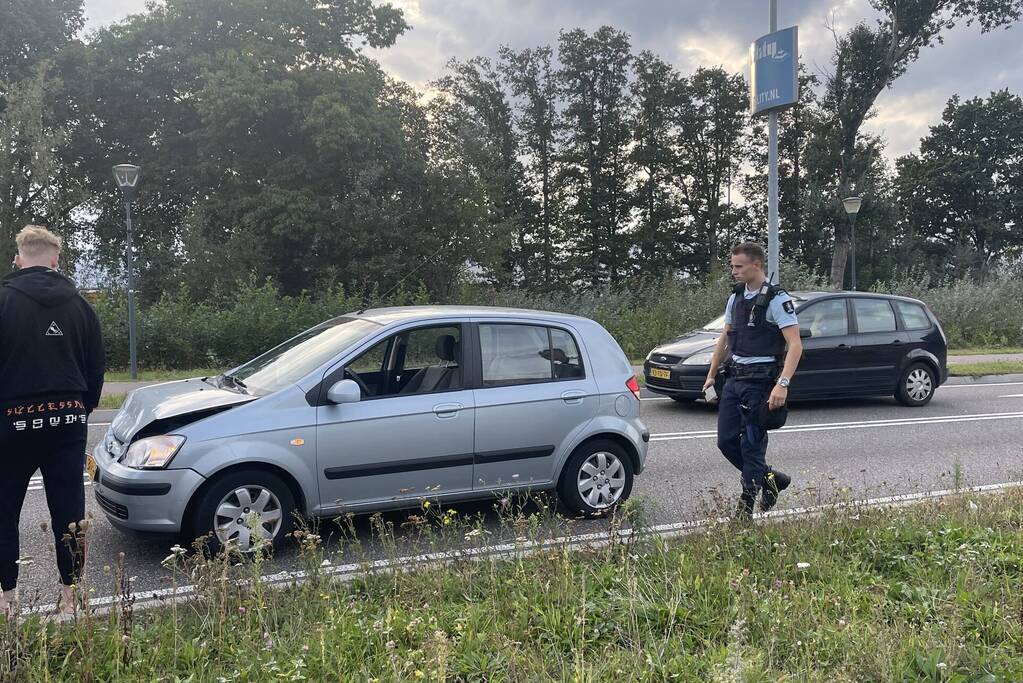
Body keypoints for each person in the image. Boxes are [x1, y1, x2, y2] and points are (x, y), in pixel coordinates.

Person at [0, 226, 104, 618]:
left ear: (18, 259)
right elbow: (96, 367)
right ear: (56, 260)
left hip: (12, 422)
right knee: (69, 510)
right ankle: (70, 598)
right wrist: (82, 408)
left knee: (4, 510)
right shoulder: (81, 306)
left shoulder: (3, 302)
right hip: (67, 420)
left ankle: (6, 599)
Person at [703, 242, 802, 520]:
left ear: (756, 265)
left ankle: (744, 512)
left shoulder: (776, 299)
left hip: (761, 383)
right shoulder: (735, 297)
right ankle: (771, 479)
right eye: (732, 266)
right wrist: (711, 373)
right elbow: (725, 338)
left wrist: (782, 384)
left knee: (752, 445)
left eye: (739, 266)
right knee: (726, 441)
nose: (733, 271)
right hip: (734, 380)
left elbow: (795, 345)